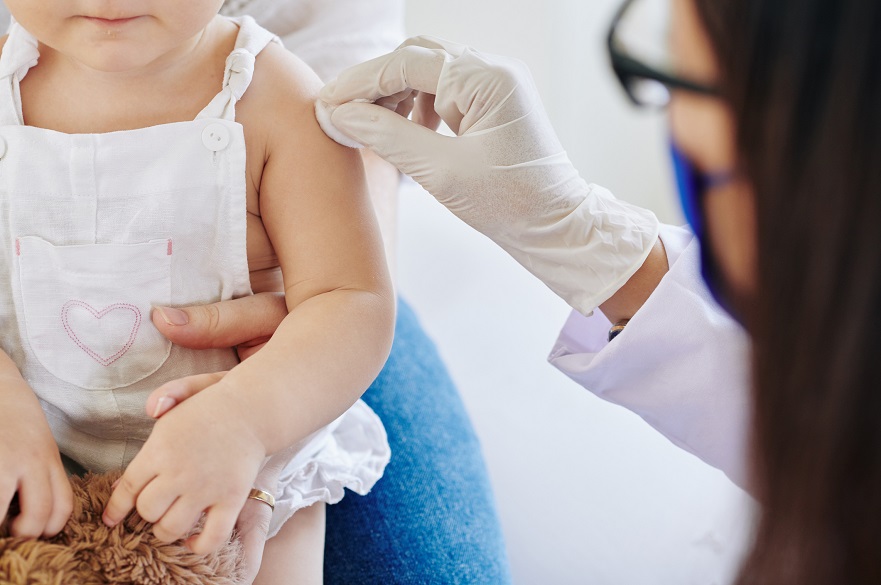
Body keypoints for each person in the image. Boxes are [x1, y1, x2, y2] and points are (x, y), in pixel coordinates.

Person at [165, 0, 881, 582]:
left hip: (294, 322)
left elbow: (344, 249)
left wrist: (275, 403)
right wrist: (583, 239)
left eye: (674, 76)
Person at [0, 1, 398, 583]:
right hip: (30, 442)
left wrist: (247, 422)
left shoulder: (275, 97)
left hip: (245, 457)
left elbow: (352, 297)